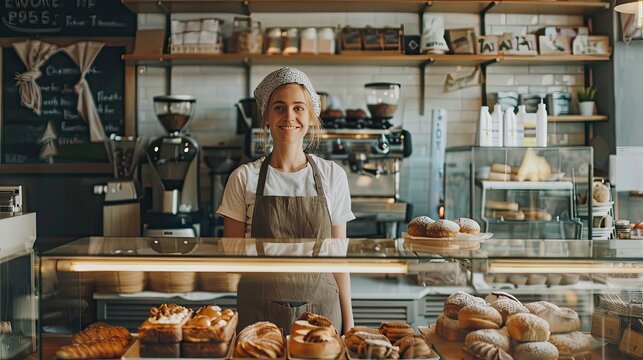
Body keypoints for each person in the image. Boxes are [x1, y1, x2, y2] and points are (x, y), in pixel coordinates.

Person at [217, 67, 355, 334]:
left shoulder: (333, 176)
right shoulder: (243, 178)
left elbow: (339, 259)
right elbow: (231, 262)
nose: (289, 116)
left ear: (311, 117)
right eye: (279, 107)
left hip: (323, 314)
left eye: (298, 108)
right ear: (267, 116)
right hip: (258, 318)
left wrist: (349, 323)